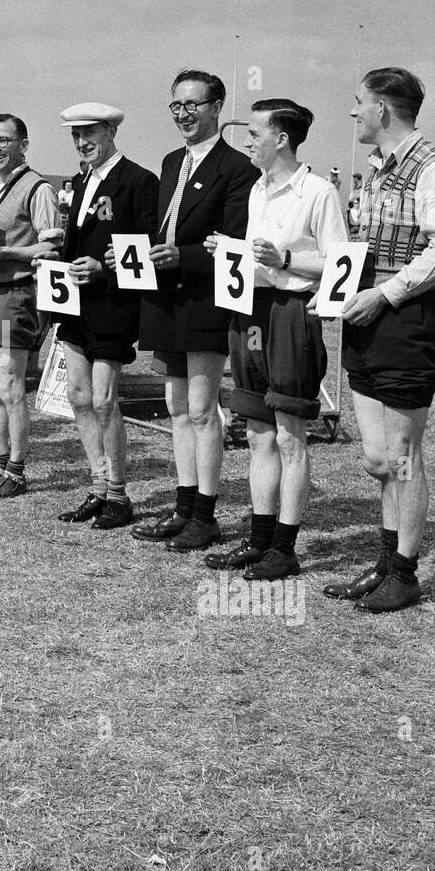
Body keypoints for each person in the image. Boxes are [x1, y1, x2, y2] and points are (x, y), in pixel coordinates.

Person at [325, 67, 435, 611]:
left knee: (404, 455)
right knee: (378, 458)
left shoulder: (434, 169)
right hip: (365, 320)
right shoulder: (378, 170)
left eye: (358, 102)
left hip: (405, 323)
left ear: (382, 108)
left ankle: (403, 572)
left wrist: (385, 294)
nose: (354, 112)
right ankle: (385, 561)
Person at [203, 100, 347, 579]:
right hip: (250, 311)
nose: (247, 140)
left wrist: (284, 258)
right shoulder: (257, 190)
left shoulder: (319, 192)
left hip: (292, 313)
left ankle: (285, 547)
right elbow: (257, 257)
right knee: (258, 432)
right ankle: (259, 539)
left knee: (290, 435)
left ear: (281, 139)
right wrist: (228, 250)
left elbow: (339, 265)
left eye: (255, 133)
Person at [133, 69, 256, 549]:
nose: (183, 114)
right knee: (176, 407)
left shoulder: (236, 169)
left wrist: (180, 256)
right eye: (176, 105)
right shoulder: (169, 162)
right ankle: (184, 508)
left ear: (217, 108)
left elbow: (234, 242)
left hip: (205, 299)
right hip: (165, 299)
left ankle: (206, 514)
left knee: (204, 409)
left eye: (193, 105)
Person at [57, 103, 159, 530]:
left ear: (112, 130)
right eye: (76, 135)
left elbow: (146, 247)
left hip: (114, 303)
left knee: (104, 399)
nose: (83, 142)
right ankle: (98, 487)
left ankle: (118, 493)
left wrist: (104, 266)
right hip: (76, 302)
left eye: (91, 133)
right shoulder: (81, 180)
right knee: (79, 397)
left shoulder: (138, 180)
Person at [0, 113, 63, 499]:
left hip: (13, 293)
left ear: (23, 144)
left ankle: (17, 469)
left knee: (10, 385)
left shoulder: (37, 188)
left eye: (5, 141)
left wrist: (7, 253)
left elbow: (52, 246)